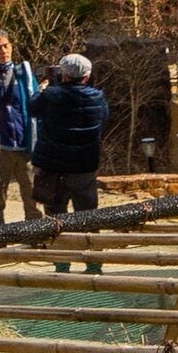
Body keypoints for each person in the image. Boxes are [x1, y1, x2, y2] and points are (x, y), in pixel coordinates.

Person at [30, 51, 113, 225]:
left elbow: (33, 109)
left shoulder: (51, 95)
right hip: (84, 164)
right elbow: (104, 119)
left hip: (53, 166)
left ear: (63, 74)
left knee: (54, 217)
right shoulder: (98, 97)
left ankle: (59, 249)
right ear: (87, 76)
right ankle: (89, 247)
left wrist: (41, 90)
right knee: (87, 214)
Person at [0, 29, 41, 221]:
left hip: (24, 143)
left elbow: (34, 103)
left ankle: (36, 237)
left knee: (32, 195)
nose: (3, 51)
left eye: (6, 46)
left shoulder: (23, 72)